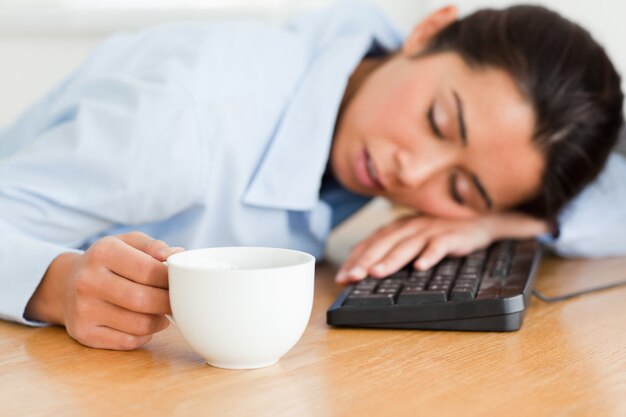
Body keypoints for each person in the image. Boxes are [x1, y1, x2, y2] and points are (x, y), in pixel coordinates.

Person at [0, 0, 623, 350]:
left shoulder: (361, 76)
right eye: (438, 121)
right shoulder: (182, 125)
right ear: (428, 30)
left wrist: (500, 217)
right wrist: (57, 283)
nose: (414, 172)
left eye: (460, 187)